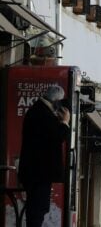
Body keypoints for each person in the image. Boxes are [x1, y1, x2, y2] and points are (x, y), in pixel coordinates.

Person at [18, 85, 70, 227]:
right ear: (56, 101)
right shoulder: (43, 113)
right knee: (37, 210)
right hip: (38, 173)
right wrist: (65, 122)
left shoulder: (39, 110)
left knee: (37, 209)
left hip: (36, 173)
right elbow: (57, 137)